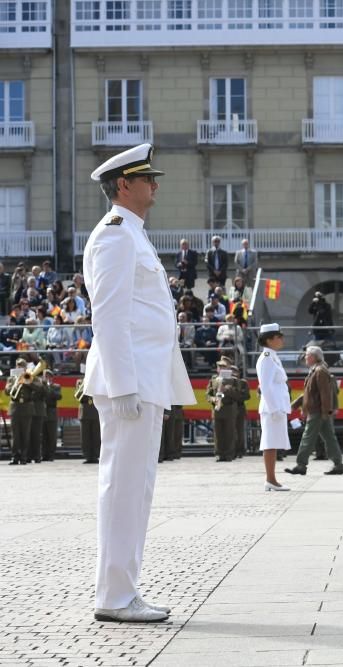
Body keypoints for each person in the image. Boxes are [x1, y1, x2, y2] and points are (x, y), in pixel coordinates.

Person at [84, 143, 195, 623]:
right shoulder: (114, 236)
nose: (155, 184)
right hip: (128, 382)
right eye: (147, 178)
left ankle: (123, 590)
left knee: (136, 488)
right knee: (124, 488)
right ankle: (114, 596)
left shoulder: (134, 235)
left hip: (144, 380)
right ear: (123, 185)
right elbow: (107, 316)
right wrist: (126, 384)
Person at [286, 345, 343, 476]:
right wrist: (295, 404)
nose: (305, 357)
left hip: (317, 411)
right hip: (319, 411)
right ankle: (338, 465)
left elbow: (325, 393)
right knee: (329, 438)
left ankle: (301, 464)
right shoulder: (316, 370)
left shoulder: (319, 371)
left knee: (308, 437)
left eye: (306, 355)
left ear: (313, 357)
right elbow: (309, 393)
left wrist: (325, 412)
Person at [257, 323, 292, 490]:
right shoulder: (266, 358)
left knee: (273, 443)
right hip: (272, 408)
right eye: (278, 337)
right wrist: (274, 408)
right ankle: (270, 479)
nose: (281, 340)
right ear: (269, 340)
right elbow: (265, 386)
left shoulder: (272, 356)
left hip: (277, 406)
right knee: (269, 443)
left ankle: (271, 479)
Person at [206, 359, 238, 462]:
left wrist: (227, 390)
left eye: (223, 367)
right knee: (218, 434)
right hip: (217, 409)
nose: (221, 369)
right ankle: (219, 454)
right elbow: (208, 394)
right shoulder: (214, 379)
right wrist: (213, 399)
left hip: (229, 409)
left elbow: (239, 395)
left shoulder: (233, 380)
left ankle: (229, 454)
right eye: (219, 367)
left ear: (228, 368)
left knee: (229, 433)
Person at [4, 358, 34, 465]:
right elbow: (7, 391)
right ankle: (14, 456)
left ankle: (24, 457)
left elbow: (38, 388)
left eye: (22, 366)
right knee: (15, 435)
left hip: (26, 408)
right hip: (15, 408)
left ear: (25, 367)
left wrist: (26, 381)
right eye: (18, 365)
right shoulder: (11, 378)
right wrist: (15, 384)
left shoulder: (29, 377)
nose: (20, 367)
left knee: (25, 434)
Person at [76, 376, 101, 464]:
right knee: (85, 436)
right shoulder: (80, 382)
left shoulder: (97, 380)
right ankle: (87, 456)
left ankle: (95, 455)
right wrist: (85, 385)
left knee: (96, 435)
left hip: (95, 411)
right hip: (85, 412)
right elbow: (78, 396)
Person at [41, 370, 61, 461]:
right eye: (45, 376)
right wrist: (45, 386)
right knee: (43, 435)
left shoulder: (56, 386)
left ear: (52, 377)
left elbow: (58, 396)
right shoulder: (40, 386)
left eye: (49, 376)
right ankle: (43, 454)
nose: (47, 378)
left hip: (51, 412)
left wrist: (49, 387)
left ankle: (51, 455)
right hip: (42, 412)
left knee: (52, 435)